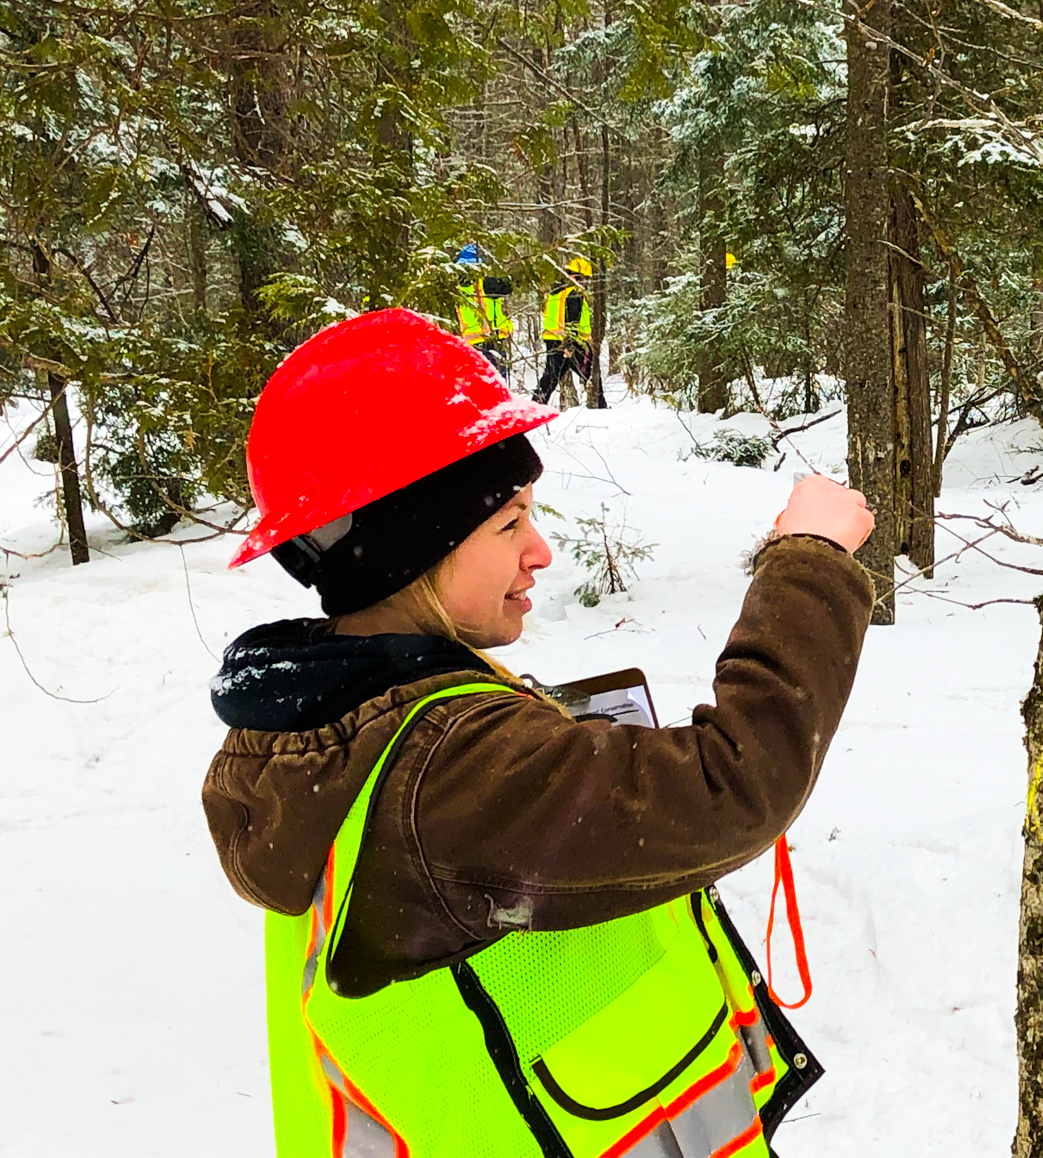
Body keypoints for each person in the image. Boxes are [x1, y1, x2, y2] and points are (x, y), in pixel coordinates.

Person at [202, 308, 875, 1157]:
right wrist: (810, 559)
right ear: (413, 549)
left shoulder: (345, 727)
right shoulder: (441, 771)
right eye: (508, 522)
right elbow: (735, 784)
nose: (541, 550)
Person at [536, 255, 599, 408]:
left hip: (553, 339)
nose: (585, 283)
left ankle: (536, 405)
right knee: (591, 372)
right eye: (584, 279)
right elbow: (571, 320)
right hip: (569, 342)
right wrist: (570, 344)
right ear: (577, 276)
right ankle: (598, 404)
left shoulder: (555, 292)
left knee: (549, 378)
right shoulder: (574, 293)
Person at [453, 242, 516, 377]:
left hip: (468, 342)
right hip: (490, 340)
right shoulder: (485, 284)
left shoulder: (455, 288)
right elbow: (508, 286)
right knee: (498, 382)